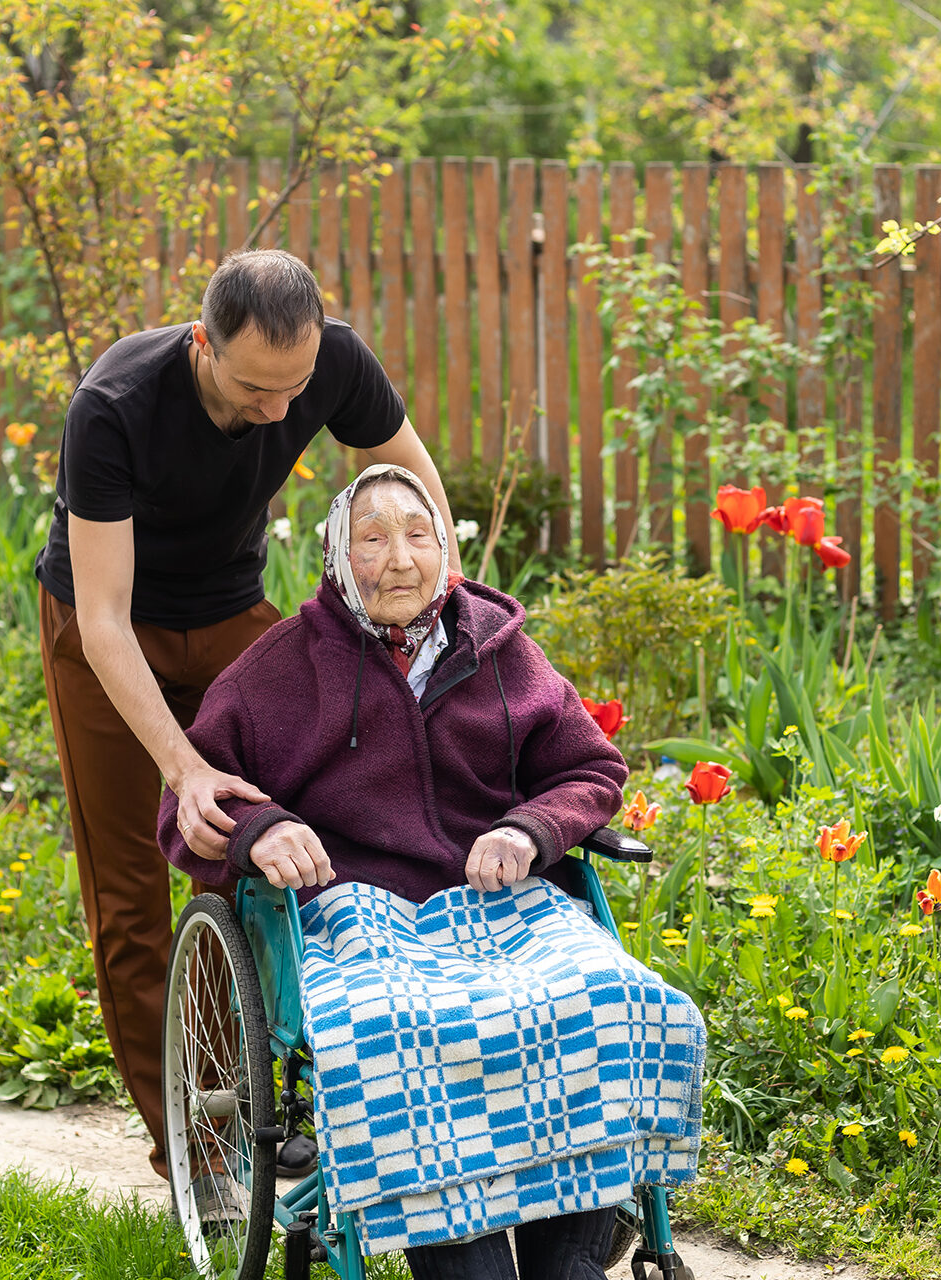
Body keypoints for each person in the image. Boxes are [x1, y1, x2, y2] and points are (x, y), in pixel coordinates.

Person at [156, 465, 701, 1279]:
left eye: (417, 535)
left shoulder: (500, 652)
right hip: (359, 916)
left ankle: (571, 1259)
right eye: (373, 539)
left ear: (444, 549)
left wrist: (531, 827)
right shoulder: (282, 668)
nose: (400, 559)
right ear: (340, 558)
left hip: (504, 906)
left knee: (617, 1000)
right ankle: (467, 1259)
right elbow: (189, 807)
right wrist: (261, 828)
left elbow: (591, 769)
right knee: (400, 1034)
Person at [34, 249, 459, 1181]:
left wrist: (445, 613)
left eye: (294, 389)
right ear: (202, 344)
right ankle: (201, 1155)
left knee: (259, 850)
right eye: (255, 389)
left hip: (232, 612)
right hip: (107, 628)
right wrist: (183, 768)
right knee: (133, 891)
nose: (278, 411)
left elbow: (426, 502)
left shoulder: (334, 362)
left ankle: (271, 1097)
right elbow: (105, 621)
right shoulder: (115, 407)